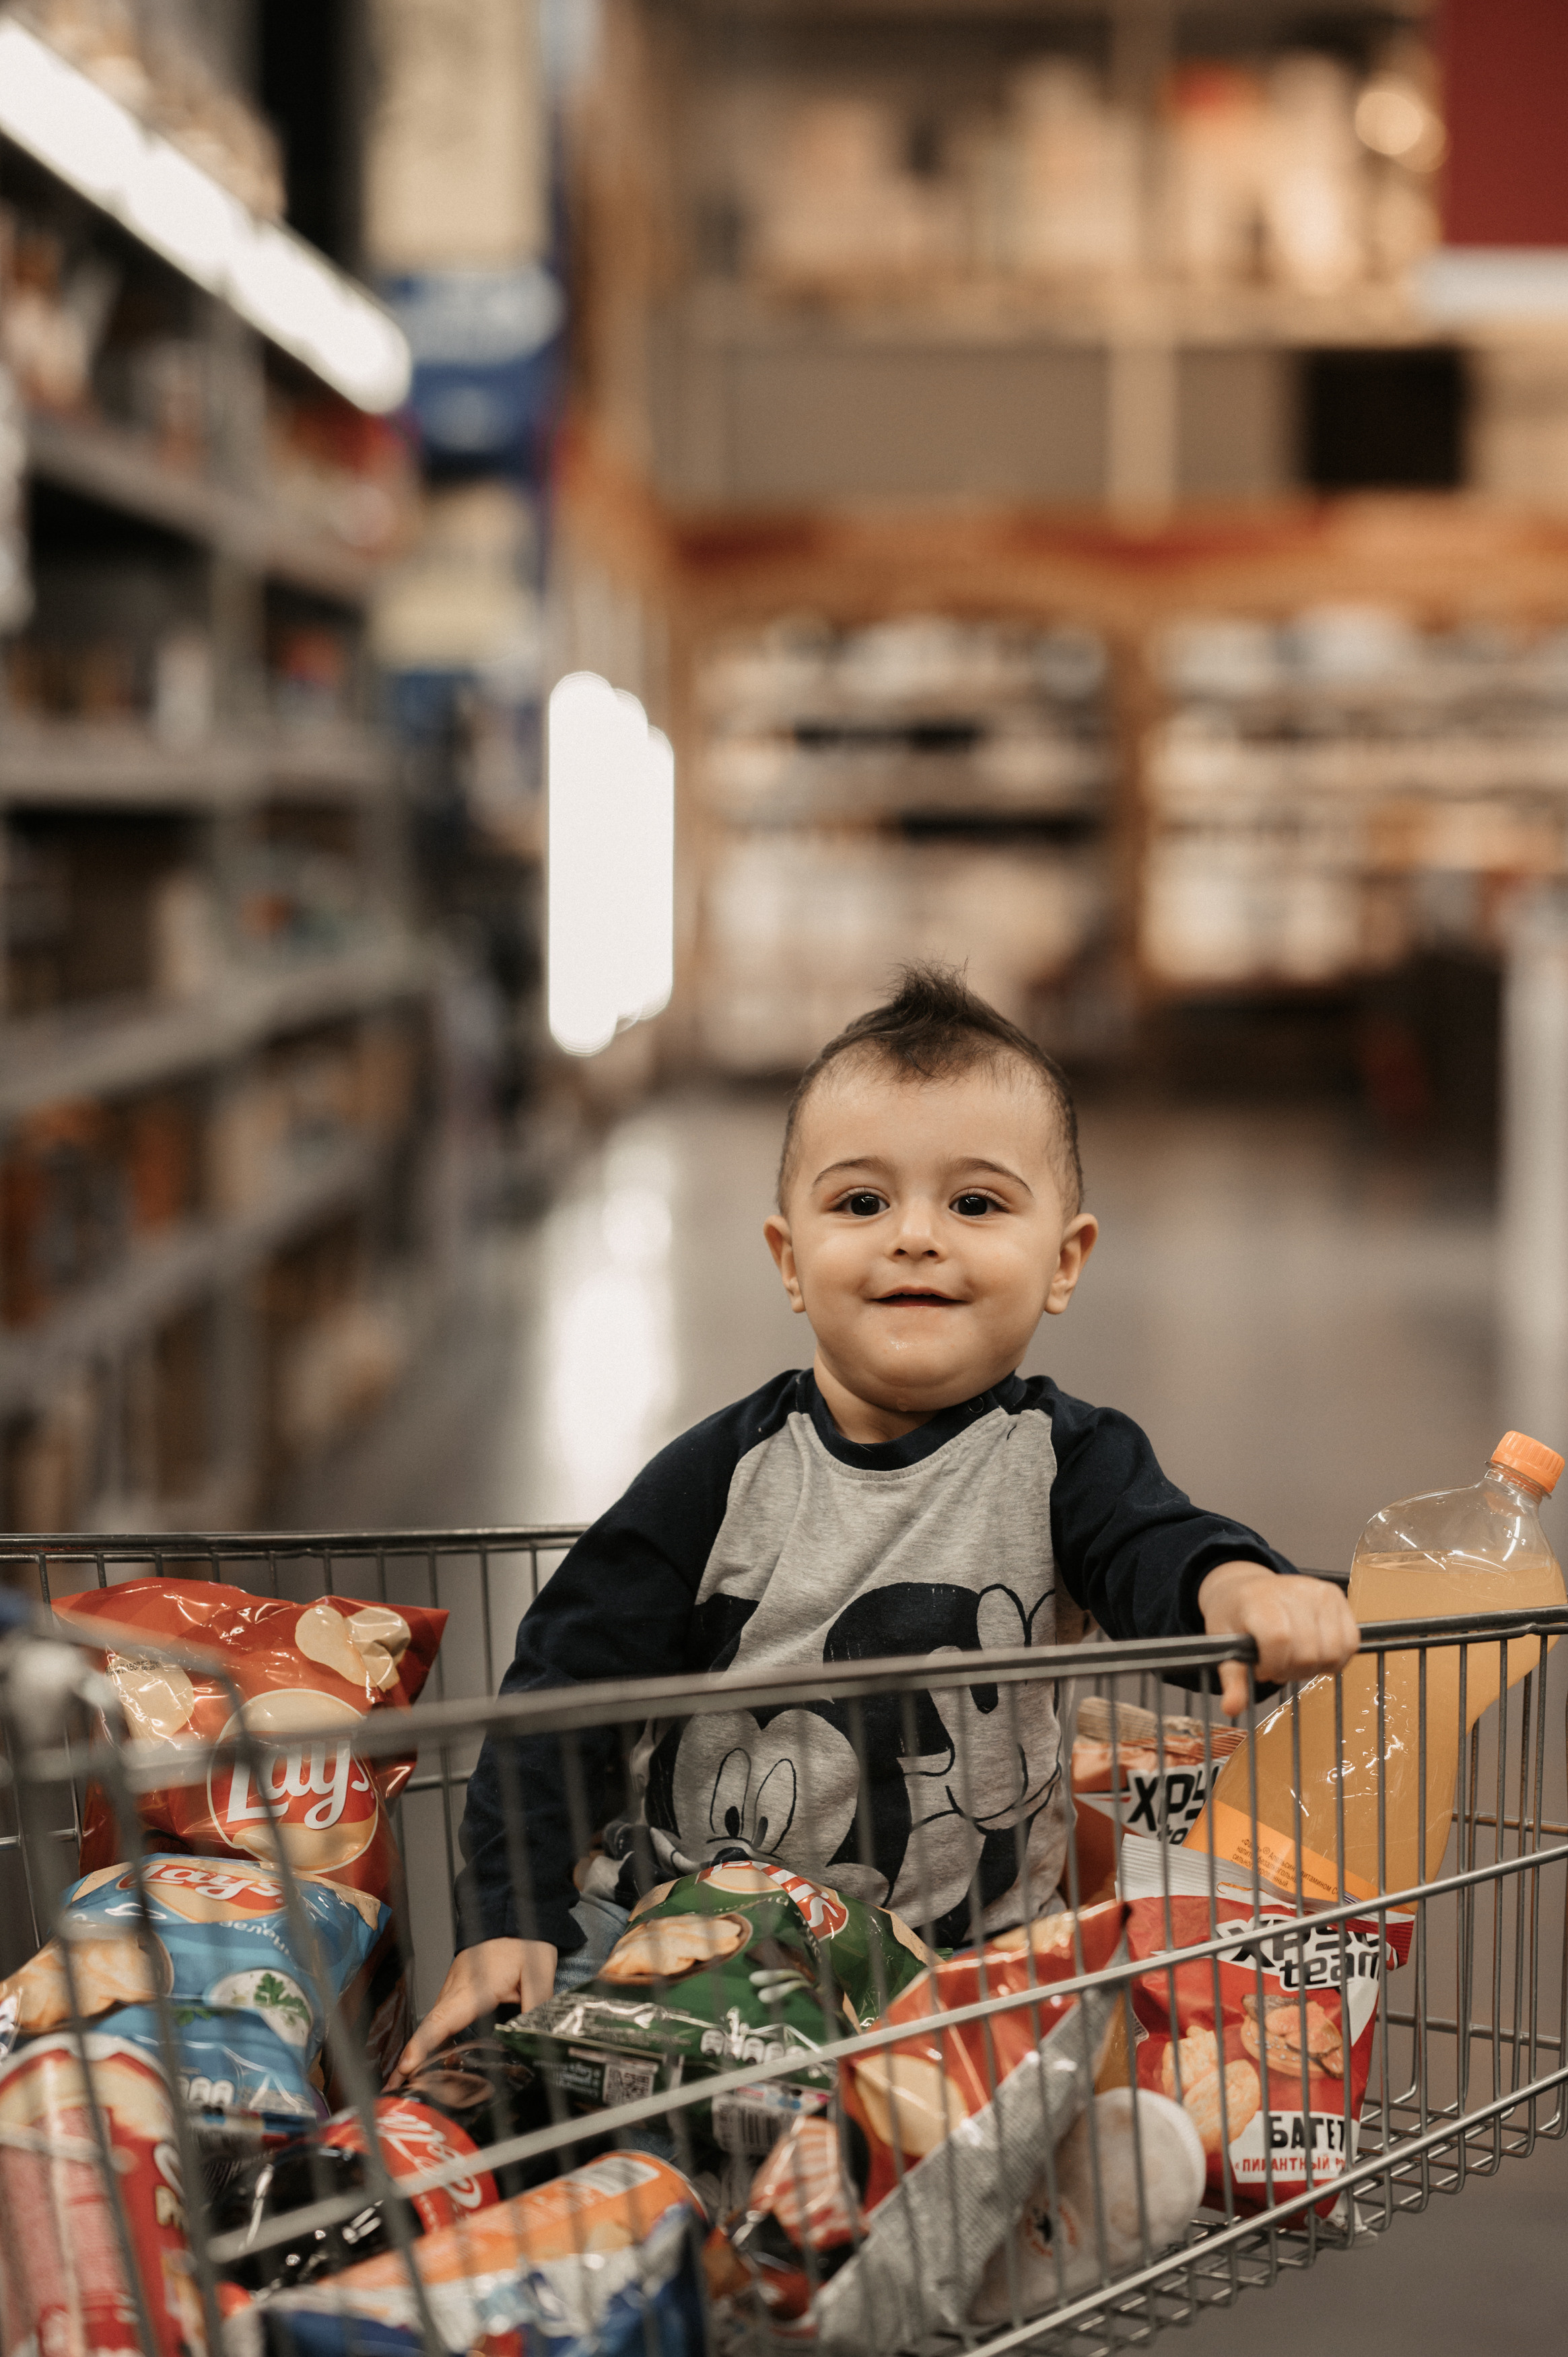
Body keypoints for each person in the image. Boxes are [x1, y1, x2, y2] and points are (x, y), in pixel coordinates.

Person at [393, 964, 1358, 2080]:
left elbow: (1152, 1546)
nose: (914, 1237)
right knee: (512, 2085)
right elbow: (564, 1692)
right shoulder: (719, 1476)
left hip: (961, 1987)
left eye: (976, 1204)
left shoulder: (1063, 1463)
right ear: (789, 1260)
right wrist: (509, 1915)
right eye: (861, 1203)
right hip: (685, 1958)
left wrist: (1236, 1589)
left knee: (1056, 2088)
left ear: (1065, 1260)